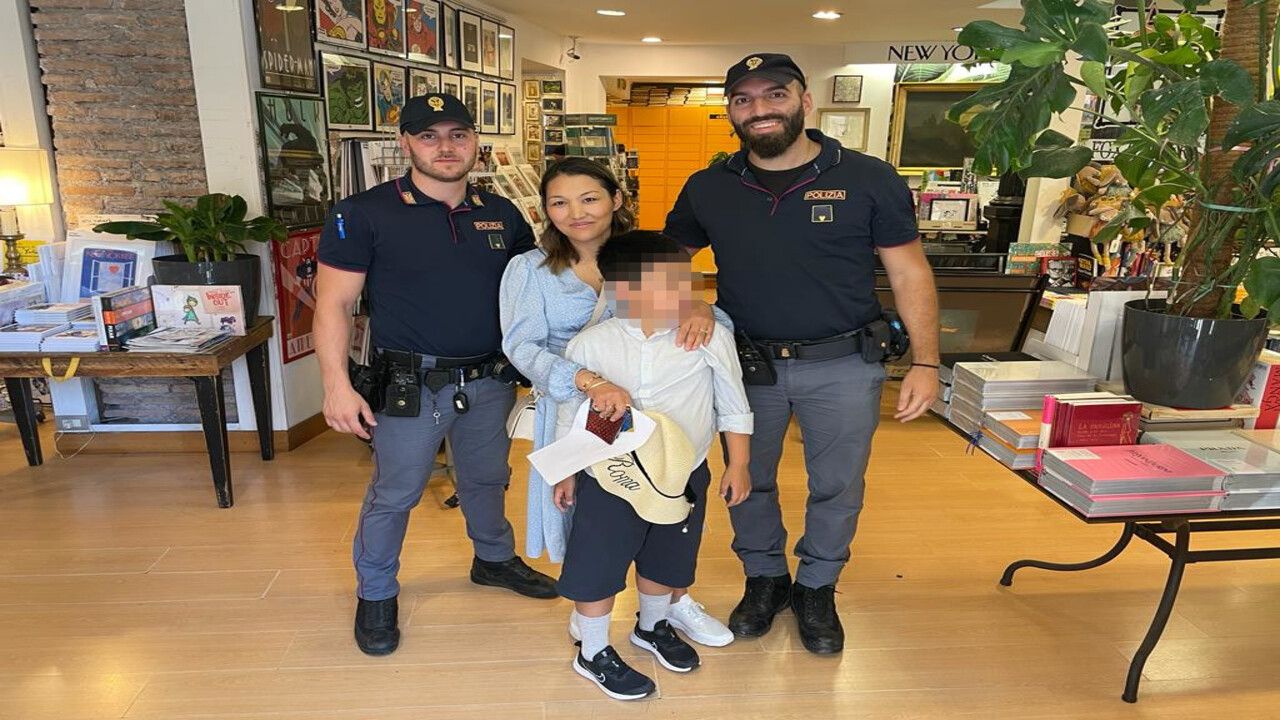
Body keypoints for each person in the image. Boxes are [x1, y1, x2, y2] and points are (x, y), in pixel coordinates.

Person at [664, 53, 941, 655]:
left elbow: (908, 270)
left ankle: (817, 586)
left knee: (837, 484)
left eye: (774, 94)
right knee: (749, 480)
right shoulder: (709, 187)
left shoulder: (868, 178)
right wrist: (693, 304)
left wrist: (926, 361)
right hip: (746, 367)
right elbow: (665, 264)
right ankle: (765, 579)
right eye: (744, 99)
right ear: (732, 110)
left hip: (843, 364)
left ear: (804, 99)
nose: (760, 109)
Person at [314, 93, 558, 658]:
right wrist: (335, 385)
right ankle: (376, 593)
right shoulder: (364, 212)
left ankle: (493, 560)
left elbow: (540, 288)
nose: (445, 147)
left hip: (490, 380)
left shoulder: (501, 212)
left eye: (457, 134)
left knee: (486, 479)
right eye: (429, 136)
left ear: (476, 141)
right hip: (410, 385)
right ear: (405, 144)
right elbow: (333, 305)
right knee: (395, 494)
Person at [499, 157, 736, 648]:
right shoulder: (530, 268)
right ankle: (592, 610)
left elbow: (712, 329)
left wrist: (700, 307)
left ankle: (671, 600)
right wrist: (584, 379)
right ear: (544, 210)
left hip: (665, 418)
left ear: (616, 200)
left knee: (671, 506)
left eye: (589, 198)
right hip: (580, 411)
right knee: (593, 518)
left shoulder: (648, 255)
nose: (576, 212)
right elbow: (520, 347)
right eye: (559, 202)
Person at [549, 230, 753, 700]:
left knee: (670, 555)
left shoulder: (707, 336)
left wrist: (737, 464)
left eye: (685, 284)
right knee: (598, 559)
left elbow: (733, 404)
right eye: (667, 286)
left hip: (684, 471)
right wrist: (565, 471)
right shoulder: (590, 345)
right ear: (622, 290)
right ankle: (594, 649)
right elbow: (571, 415)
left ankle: (653, 626)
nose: (683, 296)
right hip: (610, 473)